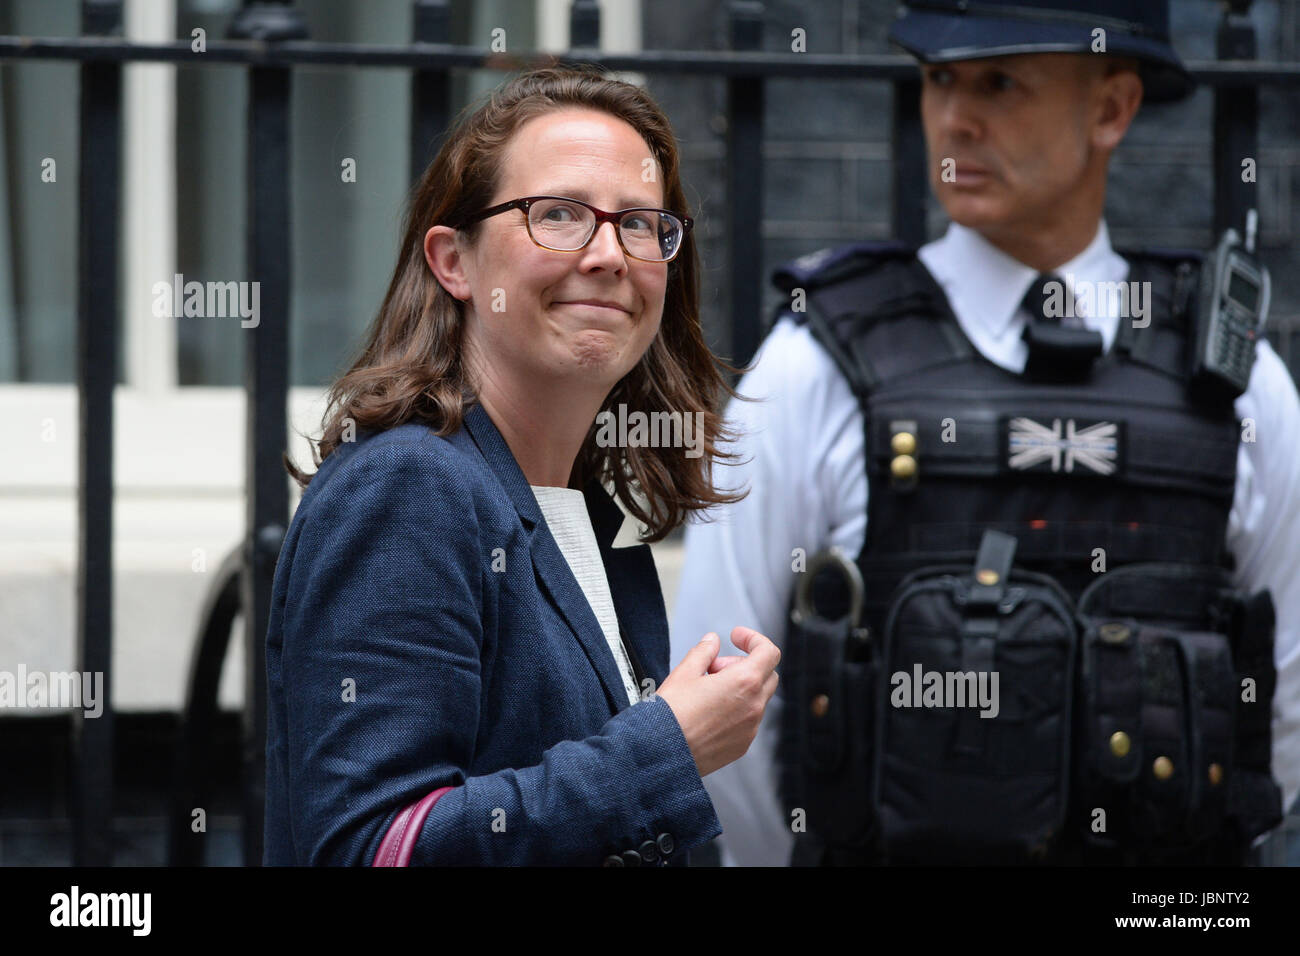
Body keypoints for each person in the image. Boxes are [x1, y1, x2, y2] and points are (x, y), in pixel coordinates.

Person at [673, 0, 1300, 866]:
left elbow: (1284, 704)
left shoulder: (1237, 384)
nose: (956, 118)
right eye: (940, 80)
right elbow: (720, 710)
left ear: (1112, 108)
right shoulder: (814, 365)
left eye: (1001, 82)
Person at [263, 66, 780, 866]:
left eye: (642, 224)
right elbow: (373, 848)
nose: (610, 254)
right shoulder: (408, 488)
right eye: (560, 215)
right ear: (453, 262)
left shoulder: (592, 519)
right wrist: (664, 750)